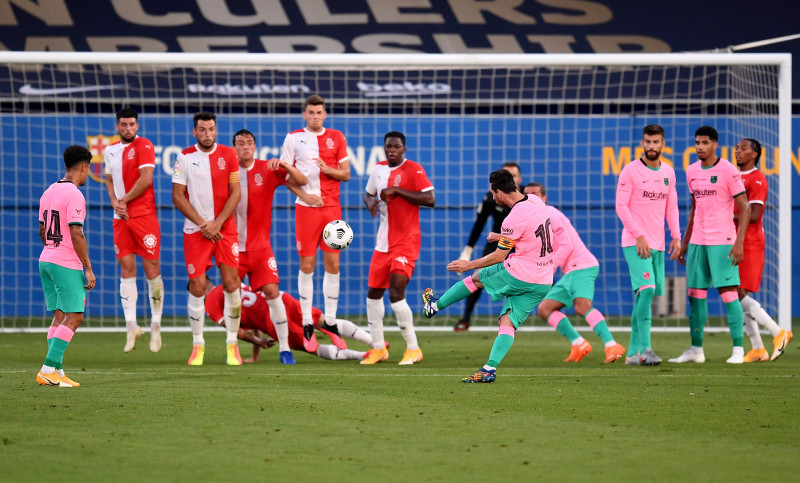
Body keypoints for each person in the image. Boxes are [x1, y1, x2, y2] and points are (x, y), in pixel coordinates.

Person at [422, 169, 554, 383]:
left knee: (476, 278)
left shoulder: (512, 218)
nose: (492, 197)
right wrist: (502, 236)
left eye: (493, 193)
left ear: (500, 193)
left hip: (521, 272)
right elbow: (532, 231)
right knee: (507, 322)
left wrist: (468, 264)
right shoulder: (537, 202)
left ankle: (434, 307)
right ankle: (489, 369)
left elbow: (500, 256)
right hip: (543, 280)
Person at [232, 128, 313, 366]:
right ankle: (231, 348)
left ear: (254, 147)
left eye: (249, 143)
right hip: (232, 248)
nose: (245, 147)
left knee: (272, 294)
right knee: (233, 298)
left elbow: (302, 181)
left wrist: (286, 165)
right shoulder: (227, 170)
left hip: (260, 249)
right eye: (240, 143)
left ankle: (285, 349)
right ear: (235, 147)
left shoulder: (267, 168)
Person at [670, 126, 750, 364]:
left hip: (722, 241)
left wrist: (739, 243)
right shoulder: (691, 170)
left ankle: (738, 349)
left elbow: (745, 207)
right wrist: (685, 242)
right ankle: (696, 349)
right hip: (697, 243)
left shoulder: (728, 170)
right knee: (695, 296)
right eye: (697, 142)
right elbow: (695, 209)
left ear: (715, 144)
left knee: (728, 294)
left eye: (705, 142)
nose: (699, 147)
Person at [525, 182, 626, 364]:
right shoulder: (531, 220)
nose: (531, 199)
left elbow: (567, 245)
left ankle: (612, 345)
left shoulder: (551, 214)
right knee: (545, 309)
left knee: (581, 306)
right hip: (569, 272)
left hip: (583, 265)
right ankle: (579, 343)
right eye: (527, 196)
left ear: (544, 198)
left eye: (535, 194)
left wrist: (550, 267)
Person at [280, 95, 350, 353]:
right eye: (311, 112)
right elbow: (286, 178)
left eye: (319, 112)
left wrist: (327, 169)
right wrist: (305, 195)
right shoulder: (292, 138)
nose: (315, 116)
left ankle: (330, 322)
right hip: (306, 212)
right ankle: (308, 322)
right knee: (307, 265)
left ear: (325, 113)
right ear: (304, 114)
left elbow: (346, 174)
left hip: (332, 210)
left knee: (333, 264)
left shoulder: (337, 137)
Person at [172, 112, 243, 366]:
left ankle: (232, 344)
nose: (207, 134)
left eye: (211, 129)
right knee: (198, 286)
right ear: (195, 132)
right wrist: (203, 223)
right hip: (196, 231)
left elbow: (236, 193)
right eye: (202, 130)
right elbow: (178, 196)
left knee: (231, 283)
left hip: (224, 229)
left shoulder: (229, 155)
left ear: (216, 130)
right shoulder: (184, 157)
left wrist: (217, 223)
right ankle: (198, 344)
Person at [361, 131, 435, 365]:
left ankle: (413, 348)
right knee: (373, 294)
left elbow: (430, 199)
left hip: (406, 241)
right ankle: (378, 348)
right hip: (382, 243)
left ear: (404, 149)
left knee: (395, 294)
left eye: (396, 147)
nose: (391, 150)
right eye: (388, 147)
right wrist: (370, 202)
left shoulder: (414, 169)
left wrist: (398, 191)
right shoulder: (378, 169)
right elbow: (368, 193)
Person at [614, 124, 681, 366]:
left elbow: (671, 207)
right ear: (642, 143)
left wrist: (676, 235)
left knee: (642, 296)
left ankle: (632, 355)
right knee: (648, 290)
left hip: (659, 244)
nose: (651, 146)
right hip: (635, 242)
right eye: (647, 142)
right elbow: (621, 206)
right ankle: (645, 350)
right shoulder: (630, 171)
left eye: (656, 142)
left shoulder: (669, 173)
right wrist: (639, 234)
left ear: (663, 144)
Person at [103, 108, 164, 354]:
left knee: (152, 269)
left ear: (137, 126)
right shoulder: (110, 150)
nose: (128, 128)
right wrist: (114, 202)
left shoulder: (145, 146)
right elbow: (108, 179)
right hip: (120, 218)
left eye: (132, 124)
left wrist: (124, 200)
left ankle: (156, 325)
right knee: (126, 268)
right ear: (117, 126)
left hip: (144, 216)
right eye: (124, 124)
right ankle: (131, 326)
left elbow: (146, 178)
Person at [36, 145, 96, 387]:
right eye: (88, 170)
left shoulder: (48, 191)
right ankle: (47, 368)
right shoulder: (75, 194)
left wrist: (52, 246)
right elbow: (76, 231)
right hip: (65, 262)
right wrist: (88, 268)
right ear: (83, 167)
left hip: (46, 258)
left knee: (59, 316)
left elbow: (42, 229)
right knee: (75, 317)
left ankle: (57, 373)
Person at [732, 138, 793, 362]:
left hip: (749, 241)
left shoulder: (757, 179)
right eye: (737, 148)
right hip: (734, 239)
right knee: (737, 294)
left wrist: (721, 215)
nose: (738, 151)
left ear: (755, 154)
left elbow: (755, 215)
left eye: (744, 148)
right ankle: (758, 348)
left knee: (737, 293)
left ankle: (778, 332)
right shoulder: (733, 175)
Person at [205, 283, 372, 362]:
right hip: (280, 298)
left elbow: (236, 331)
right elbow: (251, 320)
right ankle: (375, 343)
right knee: (324, 321)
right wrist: (256, 354)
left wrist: (260, 342)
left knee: (312, 347)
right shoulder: (229, 283)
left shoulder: (210, 303)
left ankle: (362, 355)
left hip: (270, 320)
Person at [453, 162, 522, 332]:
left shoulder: (528, 196)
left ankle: (553, 310)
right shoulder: (492, 198)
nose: (509, 179)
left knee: (541, 275)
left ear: (519, 179)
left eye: (513, 176)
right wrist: (468, 251)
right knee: (479, 275)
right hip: (500, 242)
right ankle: (466, 318)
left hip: (522, 243)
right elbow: (479, 225)